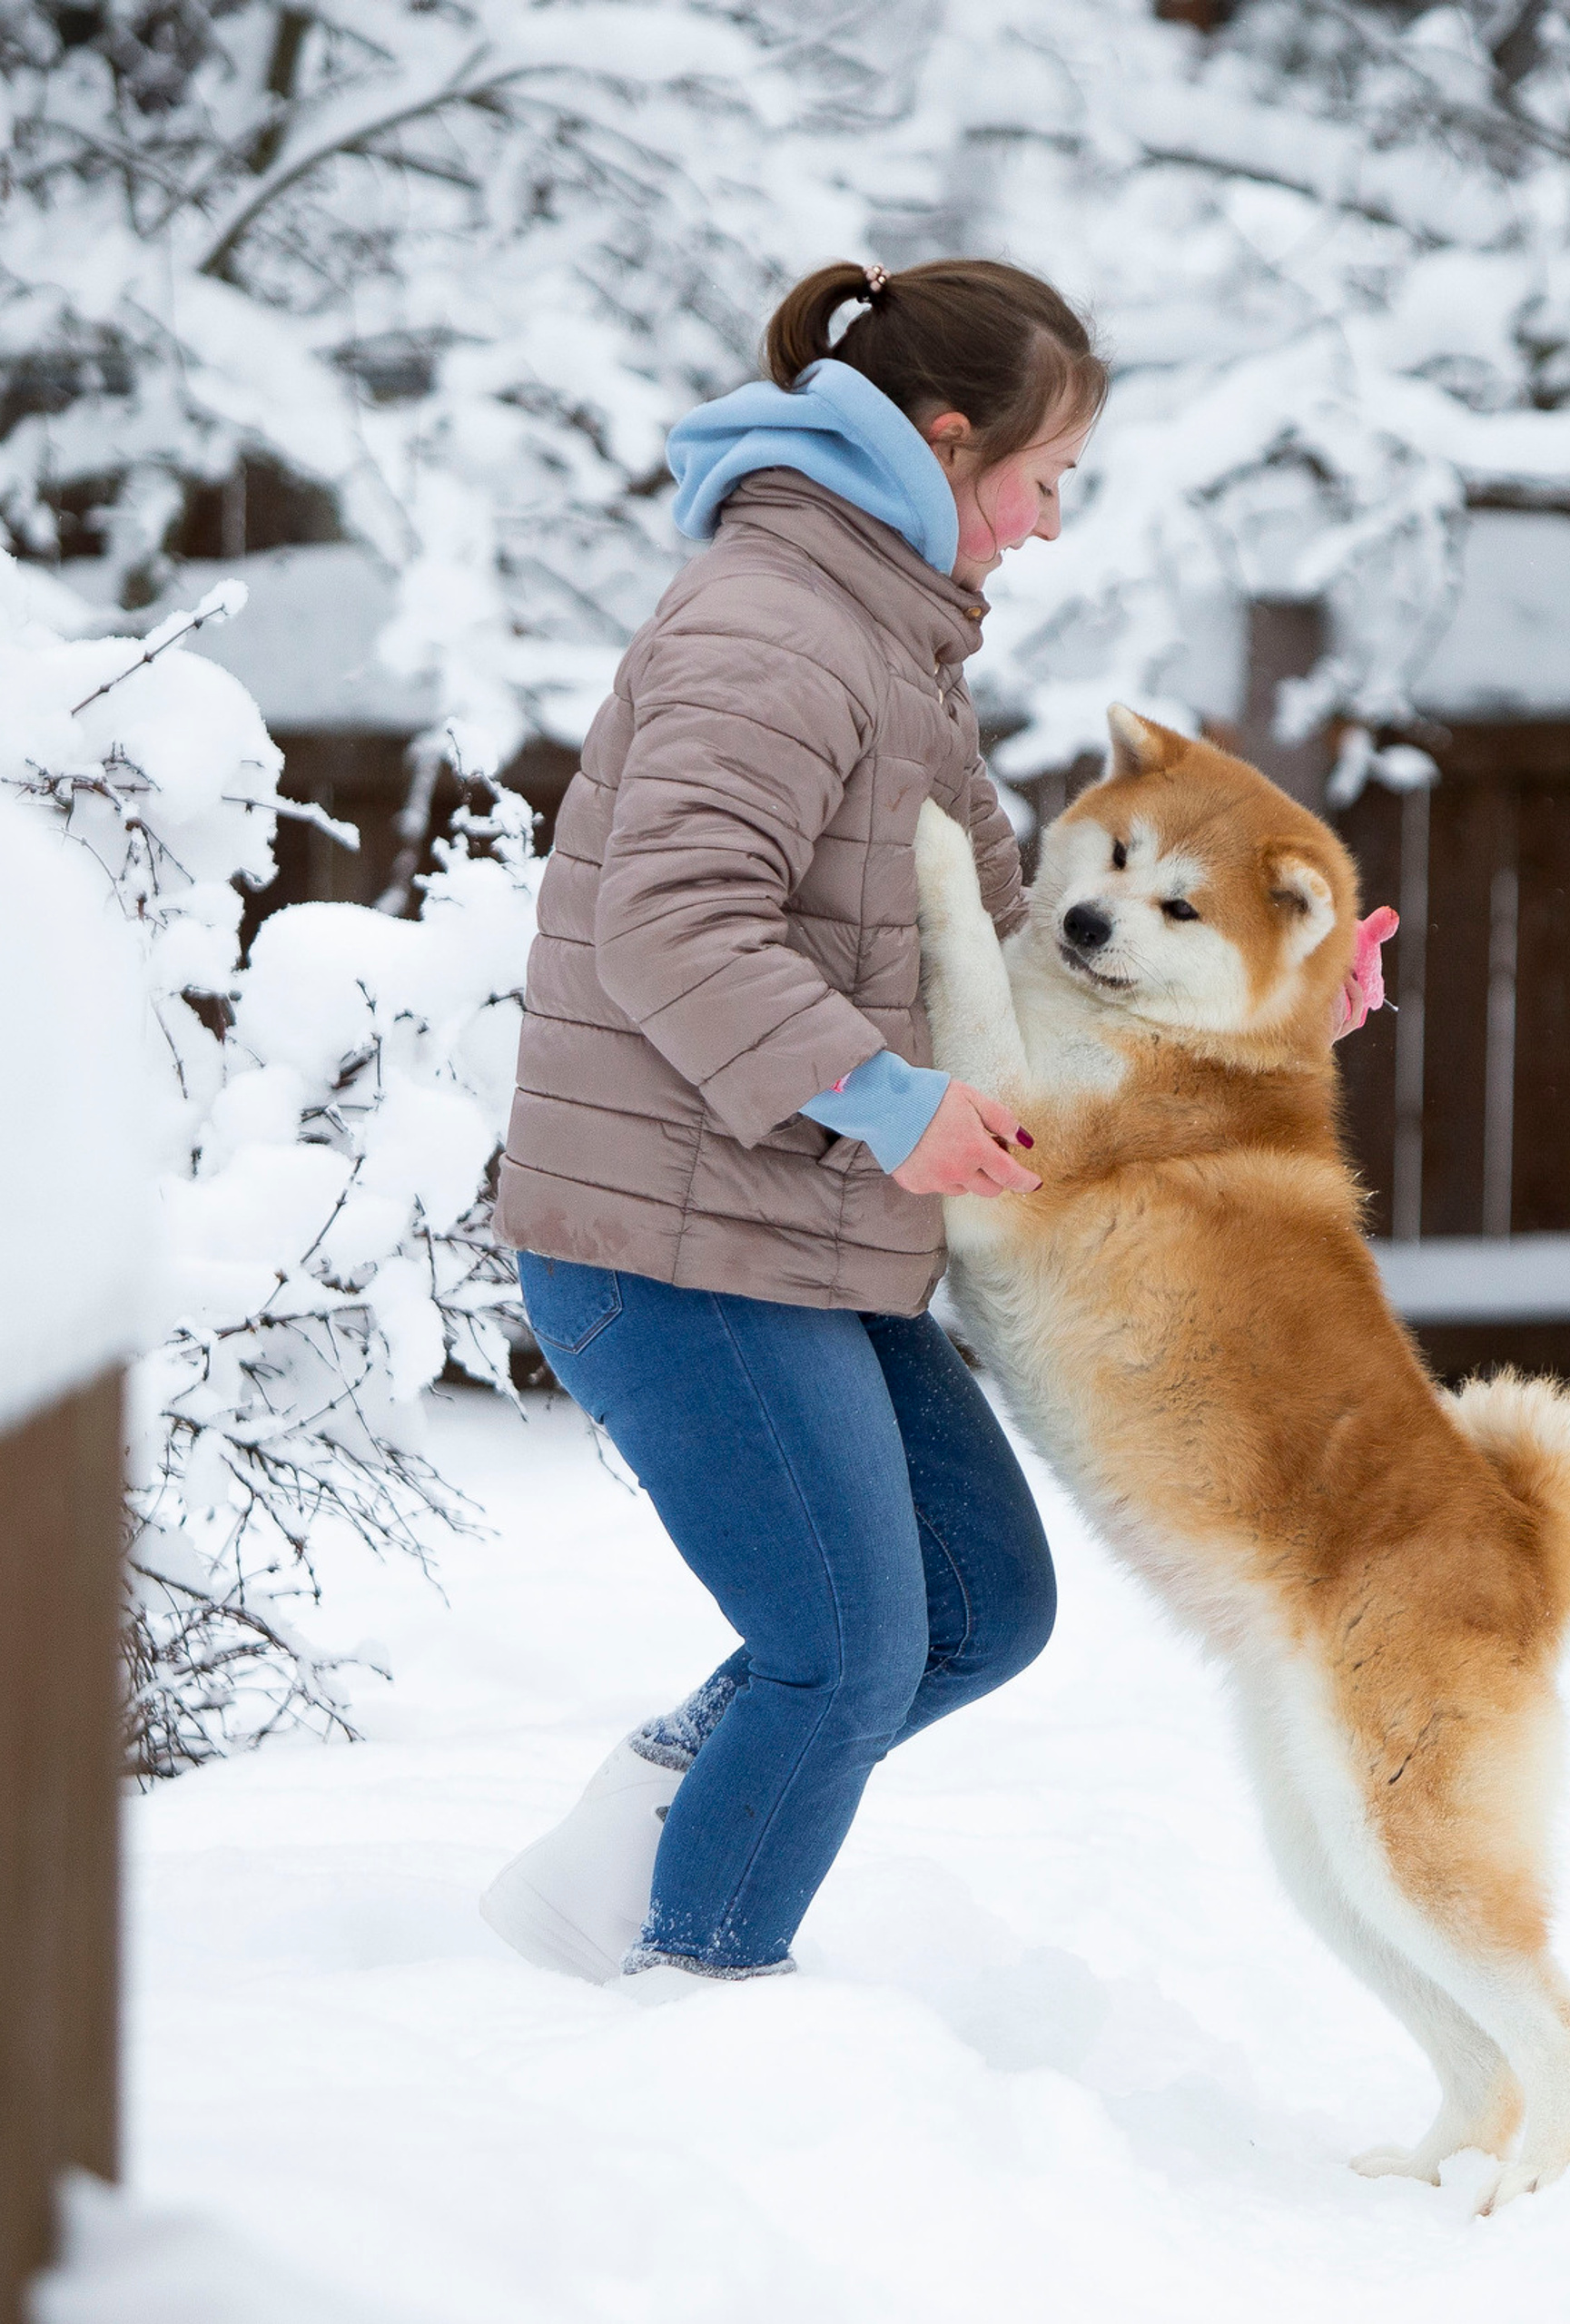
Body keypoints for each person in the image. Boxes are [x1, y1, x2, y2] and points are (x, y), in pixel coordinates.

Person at [483, 257, 1107, 1994]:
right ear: (947, 436)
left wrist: (1270, 993)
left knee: (984, 1611)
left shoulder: (886, 635)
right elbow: (676, 921)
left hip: (787, 1225)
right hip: (666, 1241)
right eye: (1047, 479)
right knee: (842, 1649)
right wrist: (894, 1105)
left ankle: (602, 1890)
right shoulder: (776, 624)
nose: (1053, 525)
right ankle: (696, 1999)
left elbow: (1000, 920)